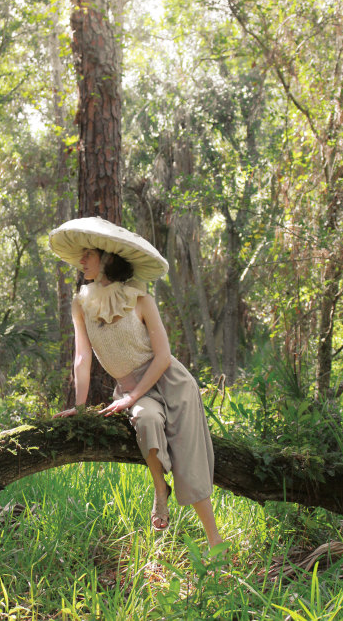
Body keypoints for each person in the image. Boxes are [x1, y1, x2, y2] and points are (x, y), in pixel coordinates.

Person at [49, 217, 223, 546]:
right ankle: (161, 488)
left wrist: (131, 397)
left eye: (88, 255)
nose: (81, 261)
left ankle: (215, 540)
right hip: (133, 388)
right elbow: (82, 357)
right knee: (146, 421)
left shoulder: (140, 299)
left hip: (170, 381)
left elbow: (162, 356)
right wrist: (81, 408)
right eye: (81, 256)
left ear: (108, 258)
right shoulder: (80, 303)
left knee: (189, 453)